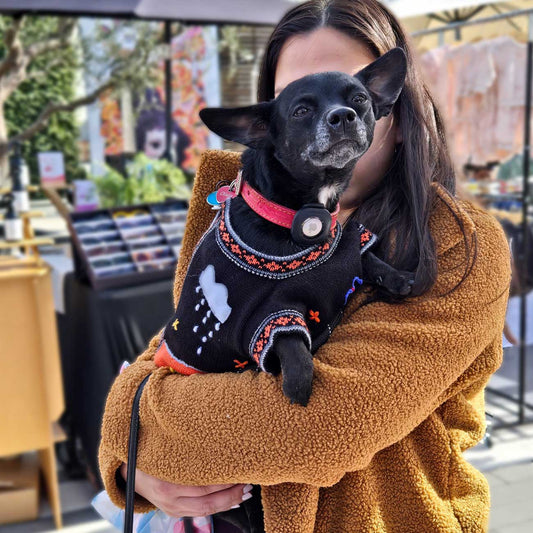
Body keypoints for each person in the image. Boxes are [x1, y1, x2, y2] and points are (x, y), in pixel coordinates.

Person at [98, 1, 512, 531]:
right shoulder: (235, 217)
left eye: (353, 94)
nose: (334, 115)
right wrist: (134, 469)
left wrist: (140, 428)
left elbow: (323, 427)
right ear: (266, 126)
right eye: (300, 103)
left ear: (395, 111)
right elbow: (181, 345)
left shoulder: (454, 244)